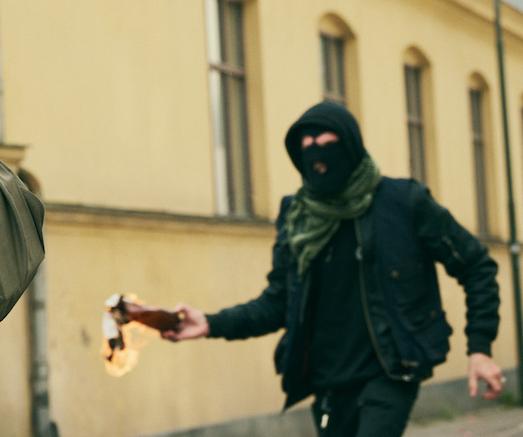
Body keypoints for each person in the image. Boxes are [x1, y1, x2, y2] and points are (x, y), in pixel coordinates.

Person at [163, 100, 504, 437]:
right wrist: (210, 323)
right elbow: (279, 302)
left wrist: (479, 347)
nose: (318, 157)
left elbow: (475, 266)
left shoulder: (403, 202)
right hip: (327, 384)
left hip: (389, 374)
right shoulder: (299, 218)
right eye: (307, 147)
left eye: (329, 144)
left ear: (352, 146)